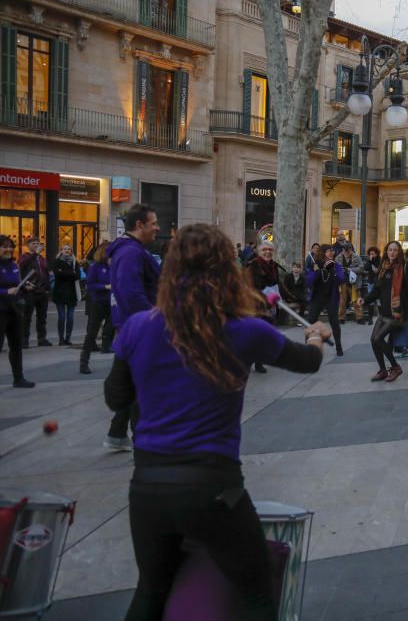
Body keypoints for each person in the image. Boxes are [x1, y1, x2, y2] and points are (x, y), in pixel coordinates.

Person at [104, 224, 329, 621]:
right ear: (229, 270)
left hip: (148, 485)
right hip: (213, 486)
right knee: (256, 593)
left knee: (151, 591)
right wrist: (316, 336)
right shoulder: (246, 331)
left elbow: (116, 398)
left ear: (170, 269)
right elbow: (308, 363)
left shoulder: (138, 327)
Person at [106, 203, 162, 451]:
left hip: (135, 328)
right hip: (140, 330)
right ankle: (144, 442)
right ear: (139, 225)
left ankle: (117, 435)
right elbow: (130, 293)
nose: (157, 228)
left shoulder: (133, 251)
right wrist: (152, 320)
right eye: (154, 223)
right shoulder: (131, 253)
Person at [358, 241, 408, 382]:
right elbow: (377, 290)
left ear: (399, 253)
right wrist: (365, 300)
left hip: (398, 313)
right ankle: (382, 370)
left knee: (378, 338)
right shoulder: (383, 267)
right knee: (374, 341)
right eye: (390, 250)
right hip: (384, 312)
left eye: (395, 250)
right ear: (386, 251)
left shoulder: (404, 268)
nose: (392, 253)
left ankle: (395, 367)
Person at [0, 236, 36, 395]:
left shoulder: (12, 265)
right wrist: (4, 292)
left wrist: (24, 287)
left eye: (10, 247)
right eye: (4, 247)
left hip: (13, 309)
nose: (9, 250)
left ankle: (18, 378)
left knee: (16, 346)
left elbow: (13, 285)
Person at [247, 241, 290, 372]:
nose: (267, 252)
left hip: (270, 306)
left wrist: (290, 297)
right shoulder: (253, 265)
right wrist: (266, 297)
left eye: (270, 250)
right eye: (264, 250)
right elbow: (252, 287)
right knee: (256, 335)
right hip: (256, 306)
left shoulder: (273, 266)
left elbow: (278, 284)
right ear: (259, 252)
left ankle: (259, 361)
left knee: (265, 335)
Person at [79, 241, 113, 374]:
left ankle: (107, 345)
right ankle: (84, 362)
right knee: (92, 332)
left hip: (111, 301)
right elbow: (90, 284)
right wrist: (105, 286)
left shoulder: (114, 266)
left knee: (111, 326)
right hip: (98, 301)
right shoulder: (97, 267)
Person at [305, 245, 345, 358]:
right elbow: (308, 282)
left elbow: (342, 279)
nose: (331, 252)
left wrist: (332, 271)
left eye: (331, 251)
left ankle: (339, 346)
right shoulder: (316, 265)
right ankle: (308, 346)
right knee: (310, 321)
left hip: (330, 298)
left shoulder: (335, 266)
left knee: (334, 322)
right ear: (323, 253)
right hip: (317, 298)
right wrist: (317, 272)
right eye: (328, 251)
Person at [18, 237, 52, 347]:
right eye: (33, 243)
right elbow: (23, 265)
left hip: (42, 291)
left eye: (38, 243)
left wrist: (47, 288)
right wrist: (35, 254)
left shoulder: (42, 259)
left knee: (42, 317)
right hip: (30, 291)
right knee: (27, 317)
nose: (36, 245)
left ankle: (42, 338)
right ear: (28, 245)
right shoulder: (25, 257)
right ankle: (24, 339)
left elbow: (46, 273)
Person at [51, 244, 80, 345]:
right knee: (62, 316)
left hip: (71, 293)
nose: (67, 250)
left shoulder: (75, 262)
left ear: (71, 251)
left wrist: (64, 272)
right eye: (65, 249)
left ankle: (68, 338)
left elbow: (77, 276)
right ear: (61, 250)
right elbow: (57, 274)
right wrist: (70, 273)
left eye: (69, 249)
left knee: (70, 317)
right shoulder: (57, 261)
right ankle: (61, 339)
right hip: (59, 292)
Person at [337, 245, 364, 324]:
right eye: (344, 251)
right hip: (342, 282)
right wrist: (340, 270)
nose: (346, 252)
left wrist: (350, 270)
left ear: (351, 250)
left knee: (356, 300)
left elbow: (361, 268)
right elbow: (335, 268)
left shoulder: (356, 257)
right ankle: (341, 318)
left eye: (347, 251)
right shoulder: (338, 257)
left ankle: (359, 318)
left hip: (354, 282)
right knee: (342, 301)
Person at [361, 246, 381, 324]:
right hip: (371, 281)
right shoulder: (369, 260)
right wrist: (369, 261)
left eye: (373, 253)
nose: (371, 255)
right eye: (370, 254)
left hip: (379, 282)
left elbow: (379, 269)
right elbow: (366, 268)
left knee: (379, 300)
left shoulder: (380, 260)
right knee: (371, 301)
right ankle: (370, 318)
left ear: (376, 253)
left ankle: (380, 317)